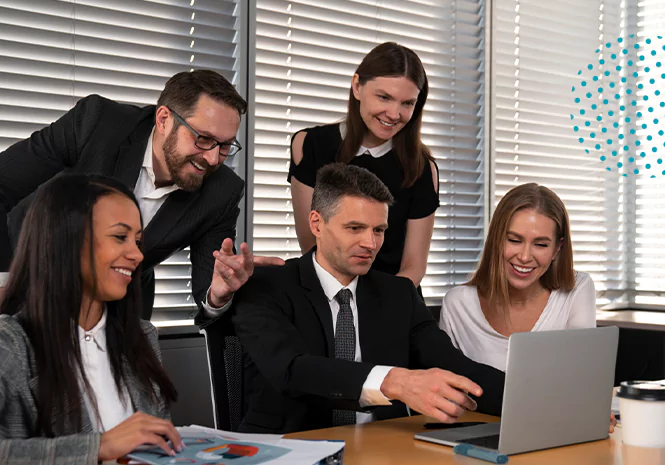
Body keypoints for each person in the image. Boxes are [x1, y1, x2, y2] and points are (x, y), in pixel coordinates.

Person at [0, 70, 282, 322]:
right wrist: (3, 298)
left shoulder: (222, 191)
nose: (213, 158)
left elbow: (207, 291)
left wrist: (220, 295)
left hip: (117, 325)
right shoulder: (97, 124)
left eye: (225, 146)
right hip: (23, 297)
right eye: (203, 139)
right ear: (164, 119)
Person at [0, 174, 183, 464]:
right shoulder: (8, 342)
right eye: (120, 237)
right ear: (66, 241)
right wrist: (98, 446)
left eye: (137, 240)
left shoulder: (142, 335)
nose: (136, 254)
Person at [227, 163, 503, 434]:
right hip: (292, 446)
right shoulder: (267, 285)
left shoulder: (399, 294)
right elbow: (291, 369)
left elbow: (454, 366)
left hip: (380, 447)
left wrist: (529, 397)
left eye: (378, 230)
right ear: (317, 224)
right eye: (355, 228)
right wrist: (391, 381)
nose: (370, 244)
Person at [288, 42, 438, 288]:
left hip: (394, 299)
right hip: (327, 295)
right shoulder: (309, 145)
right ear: (357, 86)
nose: (394, 113)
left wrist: (378, 307)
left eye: (407, 103)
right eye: (384, 97)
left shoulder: (422, 168)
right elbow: (312, 247)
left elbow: (414, 267)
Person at [439, 183, 597, 373]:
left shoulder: (577, 289)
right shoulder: (458, 304)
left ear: (557, 248)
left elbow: (582, 377)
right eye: (514, 240)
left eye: (540, 244)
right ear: (496, 239)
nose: (524, 256)